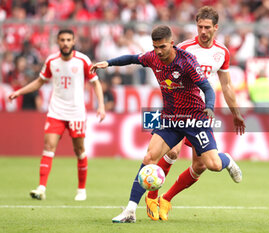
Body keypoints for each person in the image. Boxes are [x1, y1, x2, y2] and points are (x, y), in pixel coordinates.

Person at [90, 25, 242, 223]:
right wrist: (108, 63)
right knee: (149, 157)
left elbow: (207, 88)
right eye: (155, 47)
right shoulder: (152, 57)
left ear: (172, 44)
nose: (159, 51)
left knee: (211, 164)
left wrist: (210, 107)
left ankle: (226, 160)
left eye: (162, 47)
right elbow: (132, 58)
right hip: (170, 118)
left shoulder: (187, 61)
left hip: (195, 118)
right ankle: (130, 210)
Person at [8, 29, 106, 201]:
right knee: (48, 147)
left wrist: (101, 105)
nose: (66, 43)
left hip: (76, 113)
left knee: (79, 150)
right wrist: (19, 92)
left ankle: (81, 189)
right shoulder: (52, 61)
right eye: (62, 40)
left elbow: (95, 83)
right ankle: (41, 188)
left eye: (69, 40)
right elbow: (40, 81)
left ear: (74, 41)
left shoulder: (83, 60)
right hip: (56, 111)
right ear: (58, 42)